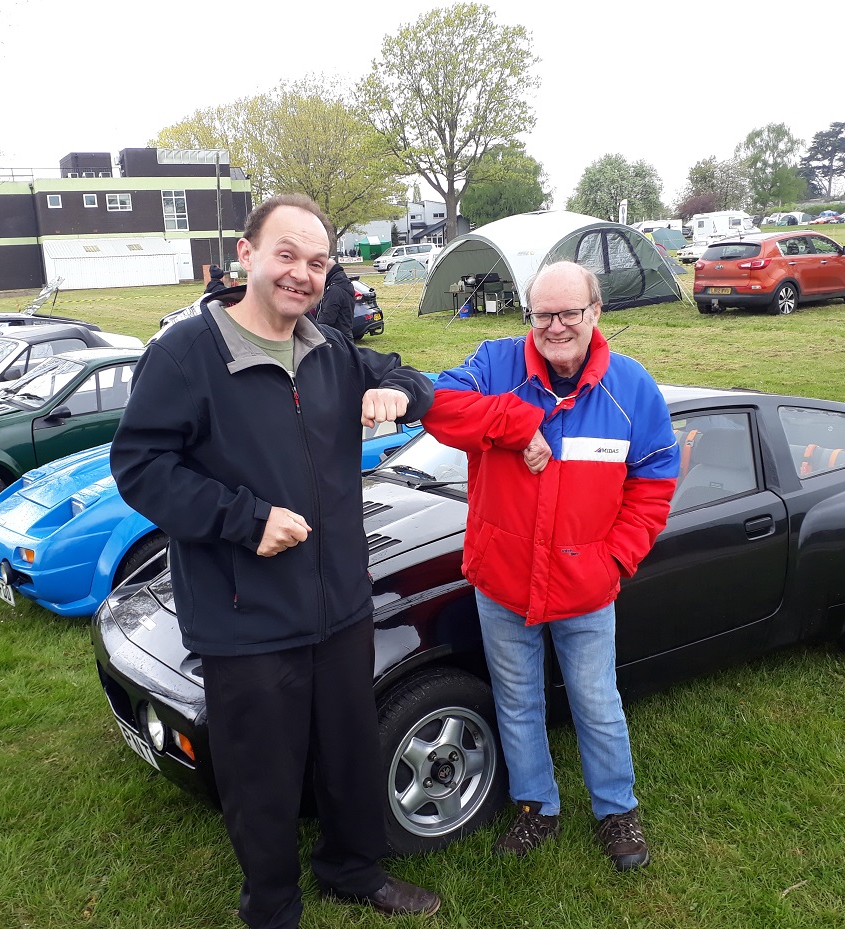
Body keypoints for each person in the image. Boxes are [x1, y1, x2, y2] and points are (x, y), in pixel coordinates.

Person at [110, 193, 439, 929]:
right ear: (247, 253)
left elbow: (414, 379)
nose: (301, 274)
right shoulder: (186, 353)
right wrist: (245, 519)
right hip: (246, 615)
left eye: (317, 262)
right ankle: (272, 905)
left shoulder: (330, 349)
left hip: (340, 602)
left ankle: (352, 867)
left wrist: (395, 390)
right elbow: (140, 466)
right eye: (286, 254)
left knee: (349, 751)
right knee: (261, 775)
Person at [422, 261, 679, 871]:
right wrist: (516, 424)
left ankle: (617, 810)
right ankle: (536, 805)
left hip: (585, 586)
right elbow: (436, 405)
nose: (555, 327)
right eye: (543, 314)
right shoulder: (495, 364)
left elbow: (654, 483)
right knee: (517, 702)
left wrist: (613, 560)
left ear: (595, 312)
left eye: (569, 313)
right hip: (502, 582)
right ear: (528, 315)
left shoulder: (631, 387)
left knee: (597, 703)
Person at [315, 228, 356, 341]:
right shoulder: (343, 283)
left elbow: (327, 317)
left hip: (337, 338)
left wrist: (315, 331)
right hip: (344, 336)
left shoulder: (334, 289)